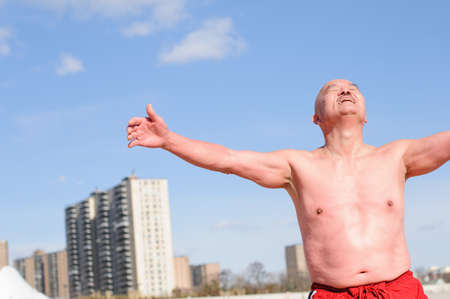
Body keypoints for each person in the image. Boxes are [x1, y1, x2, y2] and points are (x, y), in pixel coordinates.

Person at [127, 79, 449, 298]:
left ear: (365, 115)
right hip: (332, 293)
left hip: (399, 290)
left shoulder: (397, 156)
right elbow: (228, 159)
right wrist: (170, 141)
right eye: (333, 89)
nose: (345, 90)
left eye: (353, 88)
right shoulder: (298, 166)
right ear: (316, 117)